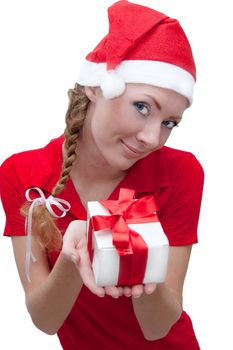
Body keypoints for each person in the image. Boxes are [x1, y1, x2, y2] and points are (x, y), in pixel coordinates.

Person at [0, 1, 204, 349]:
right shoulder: (23, 174)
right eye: (142, 107)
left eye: (169, 123)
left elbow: (158, 327)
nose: (152, 138)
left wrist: (140, 266)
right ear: (95, 88)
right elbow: (45, 319)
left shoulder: (182, 172)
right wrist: (72, 257)